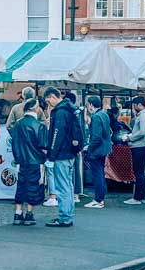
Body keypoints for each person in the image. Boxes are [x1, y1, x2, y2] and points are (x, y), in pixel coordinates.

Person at [43, 87, 80, 227]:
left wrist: (51, 156)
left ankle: (65, 217)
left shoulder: (59, 112)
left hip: (61, 155)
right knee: (68, 186)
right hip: (70, 153)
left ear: (52, 96)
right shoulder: (71, 109)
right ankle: (68, 214)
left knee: (62, 187)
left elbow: (57, 135)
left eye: (48, 101)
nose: (48, 104)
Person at [11, 98, 48, 226]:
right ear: (34, 109)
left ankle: (18, 212)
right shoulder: (39, 126)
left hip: (21, 161)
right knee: (33, 186)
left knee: (21, 186)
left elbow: (14, 143)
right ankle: (29, 214)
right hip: (35, 161)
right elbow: (43, 145)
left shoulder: (17, 124)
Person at [123, 96, 145, 206]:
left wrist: (130, 138)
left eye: (134, 105)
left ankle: (138, 197)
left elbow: (142, 132)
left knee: (138, 172)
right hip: (142, 145)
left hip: (140, 146)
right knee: (139, 172)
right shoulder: (144, 115)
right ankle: (140, 196)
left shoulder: (144, 116)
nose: (133, 108)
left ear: (139, 105)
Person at [84, 95, 112, 209]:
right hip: (104, 148)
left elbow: (96, 137)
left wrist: (89, 148)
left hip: (97, 150)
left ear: (91, 105)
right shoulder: (104, 114)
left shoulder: (96, 117)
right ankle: (100, 198)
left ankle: (98, 199)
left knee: (97, 174)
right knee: (100, 173)